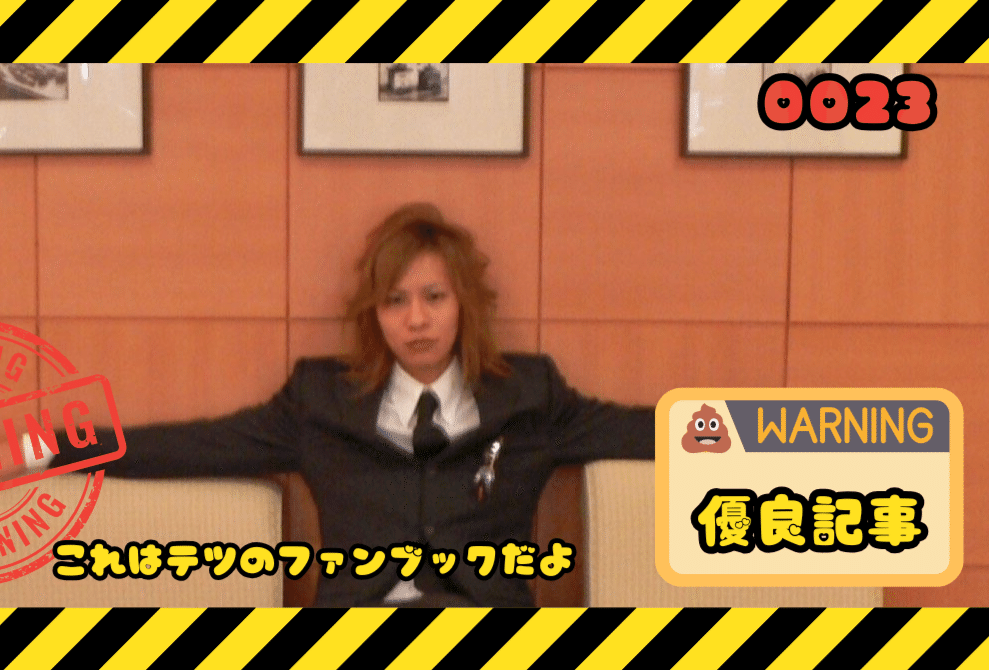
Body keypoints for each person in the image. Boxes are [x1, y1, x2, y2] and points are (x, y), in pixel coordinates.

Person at [45, 203, 654, 607]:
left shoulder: (530, 397)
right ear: (375, 315)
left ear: (464, 303)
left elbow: (649, 431)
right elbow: (198, 446)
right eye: (395, 301)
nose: (416, 320)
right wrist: (50, 449)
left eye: (434, 297)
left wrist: (724, 433)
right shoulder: (320, 402)